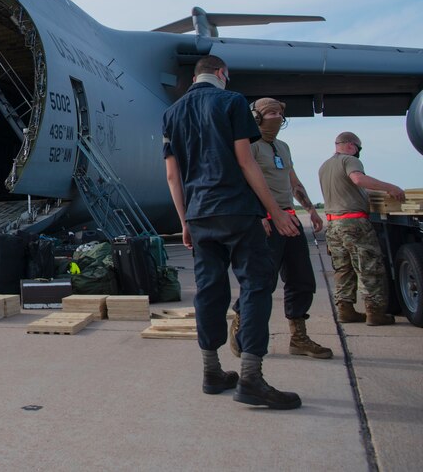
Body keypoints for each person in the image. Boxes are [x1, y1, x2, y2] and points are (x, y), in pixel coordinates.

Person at [162, 55, 302, 410]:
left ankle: (212, 373)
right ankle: (251, 379)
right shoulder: (232, 101)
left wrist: (184, 222)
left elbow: (172, 176)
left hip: (199, 216)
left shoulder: (171, 113)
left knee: (209, 291)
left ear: (195, 77)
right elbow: (245, 160)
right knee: (256, 286)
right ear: (221, 74)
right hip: (237, 211)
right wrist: (275, 211)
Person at [227, 98, 332, 360]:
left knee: (302, 279)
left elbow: (293, 182)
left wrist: (309, 209)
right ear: (257, 117)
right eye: (270, 113)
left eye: (279, 113)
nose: (276, 117)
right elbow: (242, 183)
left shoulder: (282, 147)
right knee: (261, 280)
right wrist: (260, 215)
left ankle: (299, 337)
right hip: (266, 222)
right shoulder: (249, 146)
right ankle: (242, 327)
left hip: (289, 218)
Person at [318, 132, 406, 325]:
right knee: (369, 267)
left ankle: (345, 310)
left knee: (343, 269)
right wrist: (391, 187)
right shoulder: (350, 160)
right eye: (359, 148)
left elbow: (355, 188)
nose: (358, 153)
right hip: (354, 223)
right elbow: (358, 180)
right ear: (351, 145)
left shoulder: (325, 166)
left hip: (333, 225)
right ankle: (375, 313)